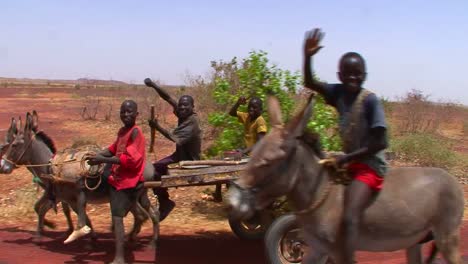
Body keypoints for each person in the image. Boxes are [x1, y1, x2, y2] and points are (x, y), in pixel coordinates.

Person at [303, 28, 388, 264]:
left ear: (365, 75)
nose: (353, 78)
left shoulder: (370, 101)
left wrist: (346, 159)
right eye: (348, 74)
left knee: (349, 217)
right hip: (349, 160)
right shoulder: (338, 93)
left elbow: (380, 142)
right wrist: (307, 55)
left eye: (358, 74)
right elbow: (309, 82)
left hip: (368, 164)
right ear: (340, 75)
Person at [86, 99, 146, 264]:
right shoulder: (122, 131)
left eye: (129, 112)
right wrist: (97, 155)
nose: (126, 115)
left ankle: (119, 257)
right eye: (123, 112)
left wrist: (103, 160)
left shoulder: (136, 132)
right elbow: (113, 149)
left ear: (136, 114)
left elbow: (130, 159)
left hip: (127, 180)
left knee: (117, 218)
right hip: (119, 176)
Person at [144, 78, 201, 221]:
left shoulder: (192, 121)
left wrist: (157, 127)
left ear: (192, 107)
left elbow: (174, 137)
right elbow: (168, 97)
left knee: (154, 170)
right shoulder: (183, 113)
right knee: (154, 168)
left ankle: (165, 202)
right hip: (179, 156)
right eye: (180, 105)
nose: (181, 108)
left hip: (189, 161)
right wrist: (153, 85)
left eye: (185, 106)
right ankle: (163, 200)